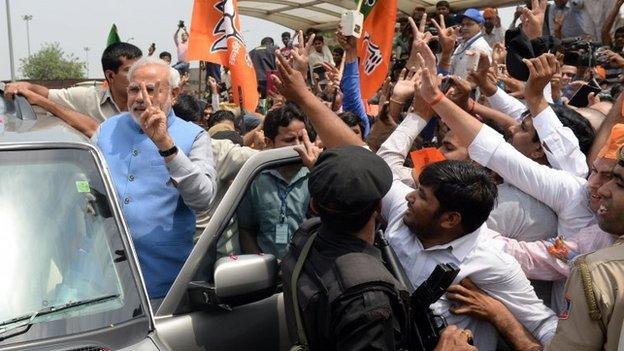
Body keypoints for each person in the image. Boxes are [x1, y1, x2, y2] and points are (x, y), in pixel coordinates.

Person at [445, 145, 624, 351]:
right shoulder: (597, 240)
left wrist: (500, 316)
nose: (600, 189)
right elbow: (537, 257)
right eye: (596, 172)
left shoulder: (598, 271)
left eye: (618, 182)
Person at [93, 56, 217, 304]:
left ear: (174, 94)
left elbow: (203, 199)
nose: (140, 98)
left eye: (150, 90)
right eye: (134, 89)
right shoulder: (106, 130)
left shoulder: (194, 136)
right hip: (104, 279)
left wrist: (166, 146)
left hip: (163, 282)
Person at [4, 42, 142, 137]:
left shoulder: (155, 104)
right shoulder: (88, 98)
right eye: (130, 71)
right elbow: (47, 94)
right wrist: (27, 86)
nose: (138, 76)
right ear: (110, 76)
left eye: (140, 69)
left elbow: (94, 129)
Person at [237, 104, 311, 258]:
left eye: (302, 138)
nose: (298, 146)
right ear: (270, 143)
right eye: (289, 140)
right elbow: (245, 229)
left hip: (309, 274)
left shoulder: (315, 175)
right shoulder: (255, 178)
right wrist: (261, 265)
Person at [447, 8, 492, 79]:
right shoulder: (462, 45)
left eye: (469, 24)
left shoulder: (480, 47)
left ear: (480, 26)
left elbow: (483, 78)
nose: (464, 28)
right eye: (462, 24)